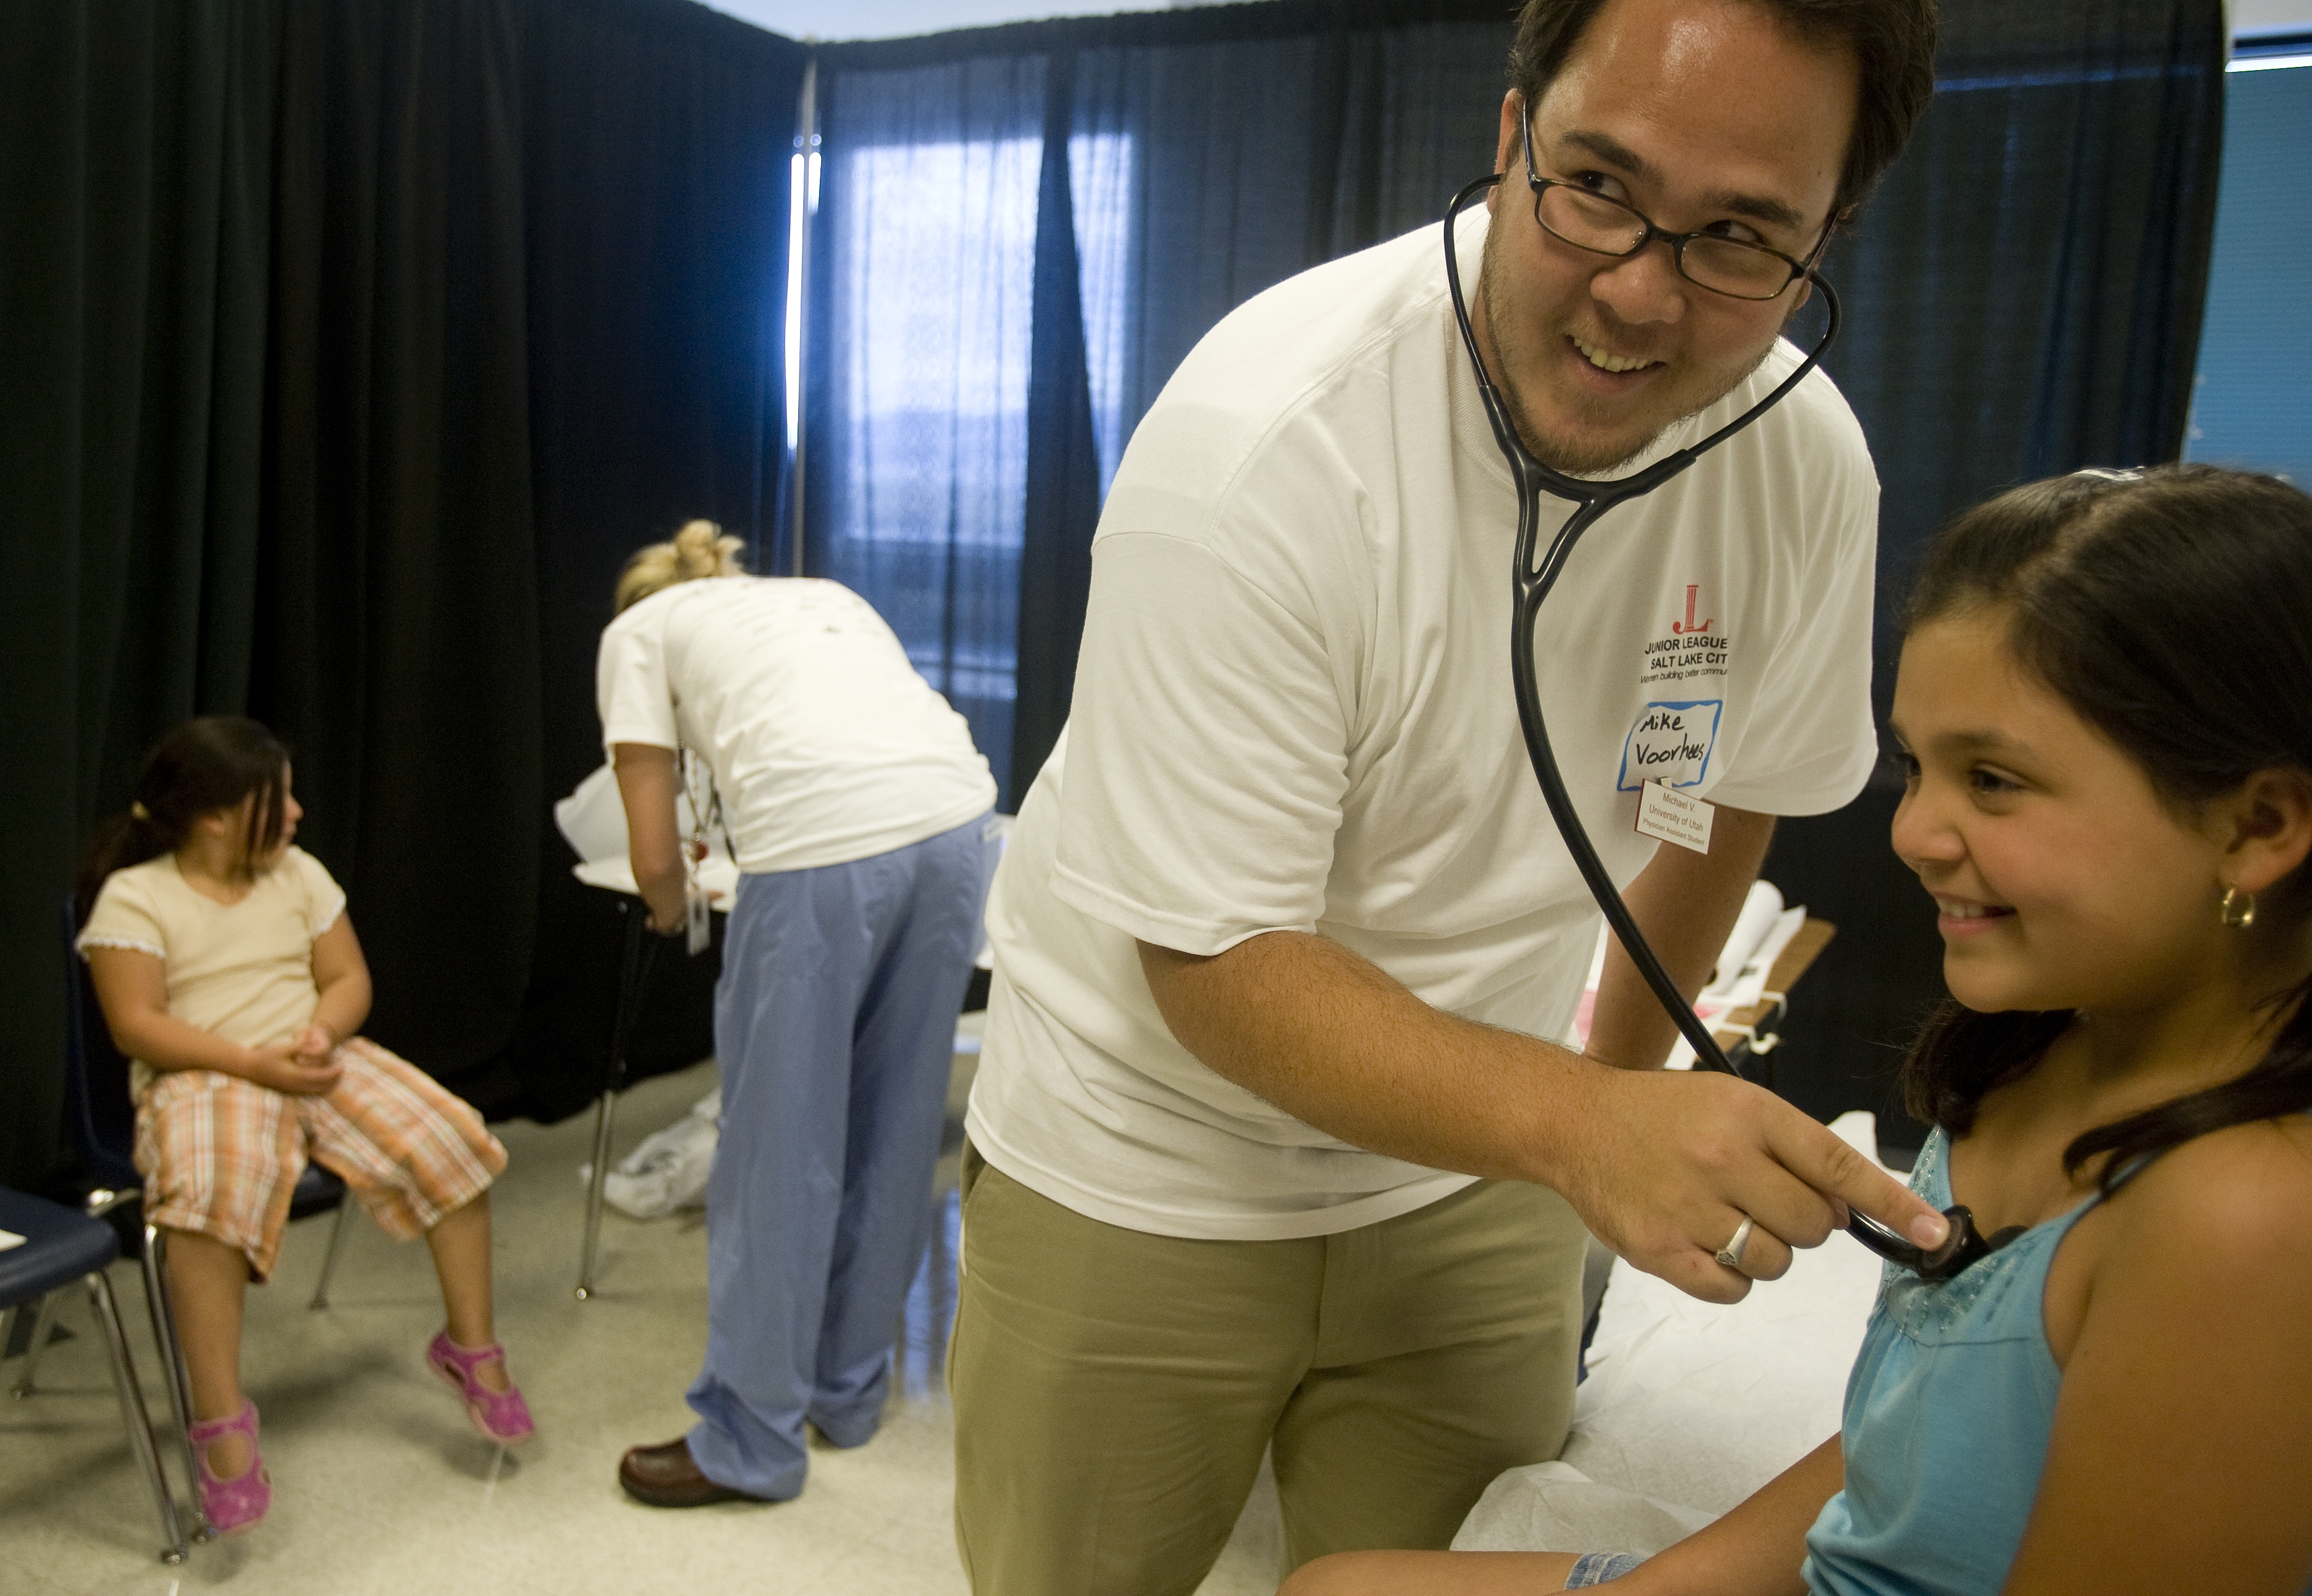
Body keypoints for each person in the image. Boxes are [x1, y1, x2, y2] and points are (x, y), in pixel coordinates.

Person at [949, 0, 1954, 1587]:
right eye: (1600, 186)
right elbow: (1219, 963)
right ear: (1508, 140)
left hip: (1477, 1172)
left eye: (1740, 237)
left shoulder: (1801, 462)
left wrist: (1618, 1091)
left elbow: (1731, 792)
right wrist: (1590, 1122)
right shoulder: (1264, 442)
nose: (1637, 290)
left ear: (1828, 235)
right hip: (1145, 1161)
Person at [1281, 465, 2312, 1595]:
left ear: (2258, 824)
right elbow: (1897, 1461)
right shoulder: (2046, 1055)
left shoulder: (2247, 1222)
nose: (1916, 832)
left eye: (1996, 780)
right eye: (1917, 768)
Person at [600, 520, 997, 1508]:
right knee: (898, 1124)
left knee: (778, 1147)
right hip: (957, 829)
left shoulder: (636, 636)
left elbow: (654, 858)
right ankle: (847, 1395)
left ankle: (749, 1441)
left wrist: (668, 905)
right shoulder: (820, 597)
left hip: (822, 847)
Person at [77, 716, 527, 1538]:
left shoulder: (299, 874)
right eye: (275, 798)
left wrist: (322, 1030)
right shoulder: (136, 897)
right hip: (206, 1072)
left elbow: (349, 976)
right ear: (215, 817)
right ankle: (219, 1419)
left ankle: (472, 1347)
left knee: (452, 1140)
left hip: (311, 1055)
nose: (296, 812)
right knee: (205, 1199)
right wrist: (255, 1067)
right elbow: (136, 1026)